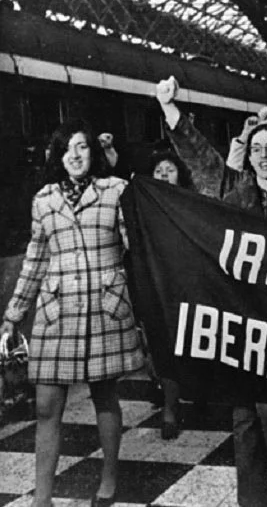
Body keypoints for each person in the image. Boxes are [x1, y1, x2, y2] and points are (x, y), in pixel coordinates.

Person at [155, 77, 267, 507]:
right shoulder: (239, 190)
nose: (263, 156)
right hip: (241, 317)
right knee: (245, 413)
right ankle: (256, 499)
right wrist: (171, 109)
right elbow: (204, 162)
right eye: (256, 149)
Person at [0, 119, 145, 507]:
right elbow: (35, 261)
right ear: (57, 157)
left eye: (82, 147)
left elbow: (137, 246)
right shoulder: (44, 200)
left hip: (104, 310)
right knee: (47, 405)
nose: (75, 156)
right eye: (67, 149)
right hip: (56, 313)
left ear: (92, 152)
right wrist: (14, 314)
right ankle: (41, 499)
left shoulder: (116, 191)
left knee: (104, 396)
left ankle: (109, 481)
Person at [145, 150, 193, 439]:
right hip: (155, 284)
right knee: (161, 345)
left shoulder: (190, 204)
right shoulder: (143, 205)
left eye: (170, 169)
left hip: (186, 284)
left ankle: (186, 398)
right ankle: (170, 408)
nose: (163, 174)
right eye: (158, 169)